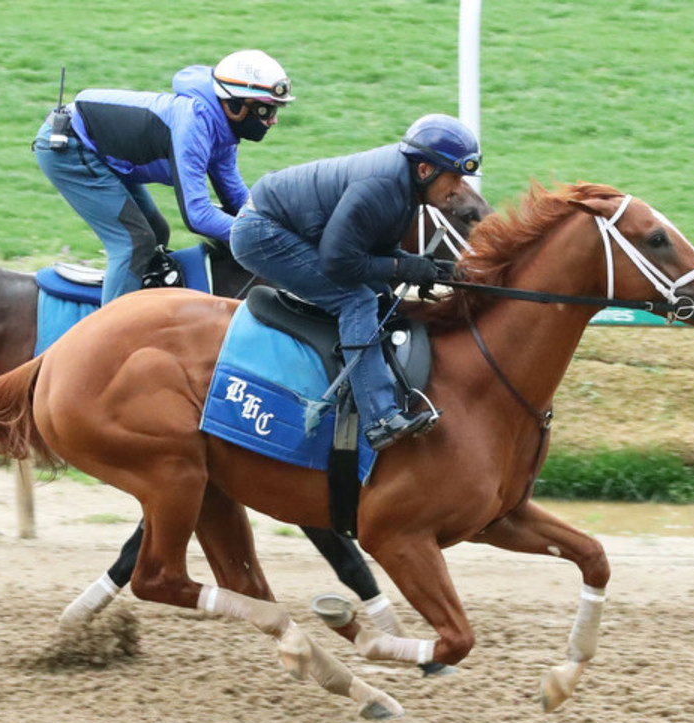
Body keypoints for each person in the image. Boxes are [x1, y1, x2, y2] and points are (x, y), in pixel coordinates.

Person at [230, 113, 482, 450]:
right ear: (425, 171)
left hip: (291, 226)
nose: (458, 190)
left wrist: (417, 267)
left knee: (379, 295)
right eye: (454, 179)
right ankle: (380, 420)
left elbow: (376, 248)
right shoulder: (382, 187)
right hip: (262, 232)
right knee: (356, 300)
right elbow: (339, 262)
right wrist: (401, 266)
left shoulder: (405, 187)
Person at [33, 50, 293, 304]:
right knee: (134, 242)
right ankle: (110, 333)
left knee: (157, 232)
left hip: (100, 149)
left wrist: (272, 225)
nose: (273, 121)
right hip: (70, 147)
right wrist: (256, 236)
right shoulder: (194, 123)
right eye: (265, 111)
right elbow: (197, 216)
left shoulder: (222, 130)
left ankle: (138, 301)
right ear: (235, 106)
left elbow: (235, 195)